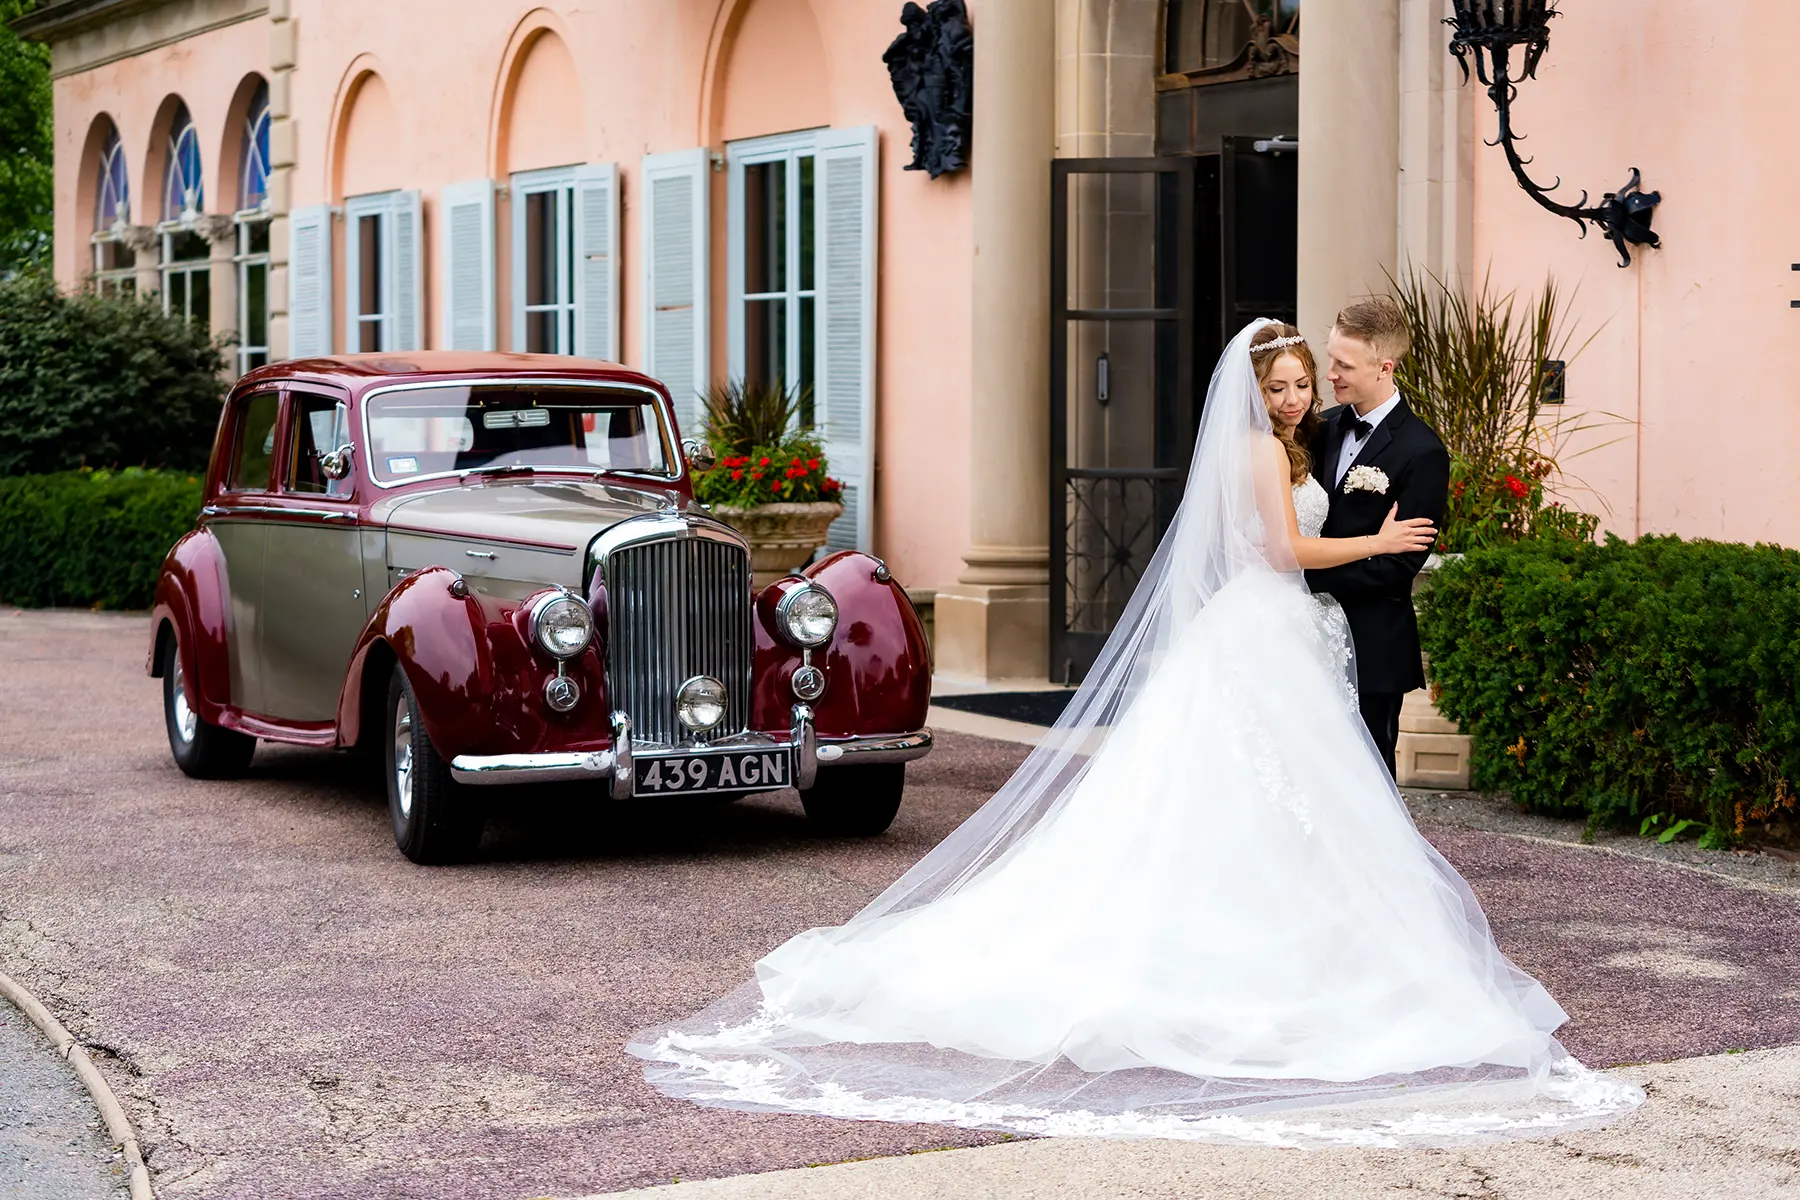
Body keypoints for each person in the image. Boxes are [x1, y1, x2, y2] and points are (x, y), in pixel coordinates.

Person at [628, 321, 1641, 1147]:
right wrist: (1376, 538)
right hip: (1266, 631)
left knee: (1312, 796)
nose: (1301, 395)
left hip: (1302, 641)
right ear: (1256, 392)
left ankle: (1320, 936)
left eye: (1310, 381)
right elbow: (1283, 549)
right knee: (1250, 791)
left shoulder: (1326, 439)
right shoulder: (1261, 450)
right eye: (1287, 382)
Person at [1305, 298, 1451, 777]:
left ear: (1384, 367)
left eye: (1343, 365)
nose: (1330, 374)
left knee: (1367, 778)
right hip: (1298, 638)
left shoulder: (1423, 451)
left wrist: (1303, 574)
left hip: (1371, 643)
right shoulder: (1318, 428)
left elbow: (1397, 566)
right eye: (1330, 359)